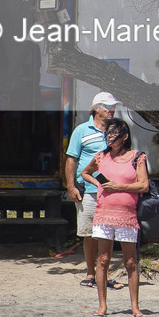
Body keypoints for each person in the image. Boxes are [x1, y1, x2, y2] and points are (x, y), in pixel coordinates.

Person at [82, 117, 149, 317]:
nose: (110, 138)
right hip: (103, 214)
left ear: (125, 136)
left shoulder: (137, 157)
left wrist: (118, 187)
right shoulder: (101, 156)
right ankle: (102, 306)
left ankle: (135, 307)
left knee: (130, 261)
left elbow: (143, 185)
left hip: (127, 215)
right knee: (102, 259)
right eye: (108, 134)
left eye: (114, 134)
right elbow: (85, 173)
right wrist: (99, 185)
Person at [64, 91, 118, 290]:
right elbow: (71, 159)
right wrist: (70, 186)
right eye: (107, 106)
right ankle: (90, 272)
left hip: (110, 189)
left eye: (113, 106)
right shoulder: (81, 130)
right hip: (87, 189)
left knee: (108, 232)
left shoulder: (116, 130)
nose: (111, 110)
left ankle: (105, 273)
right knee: (89, 233)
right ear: (96, 109)